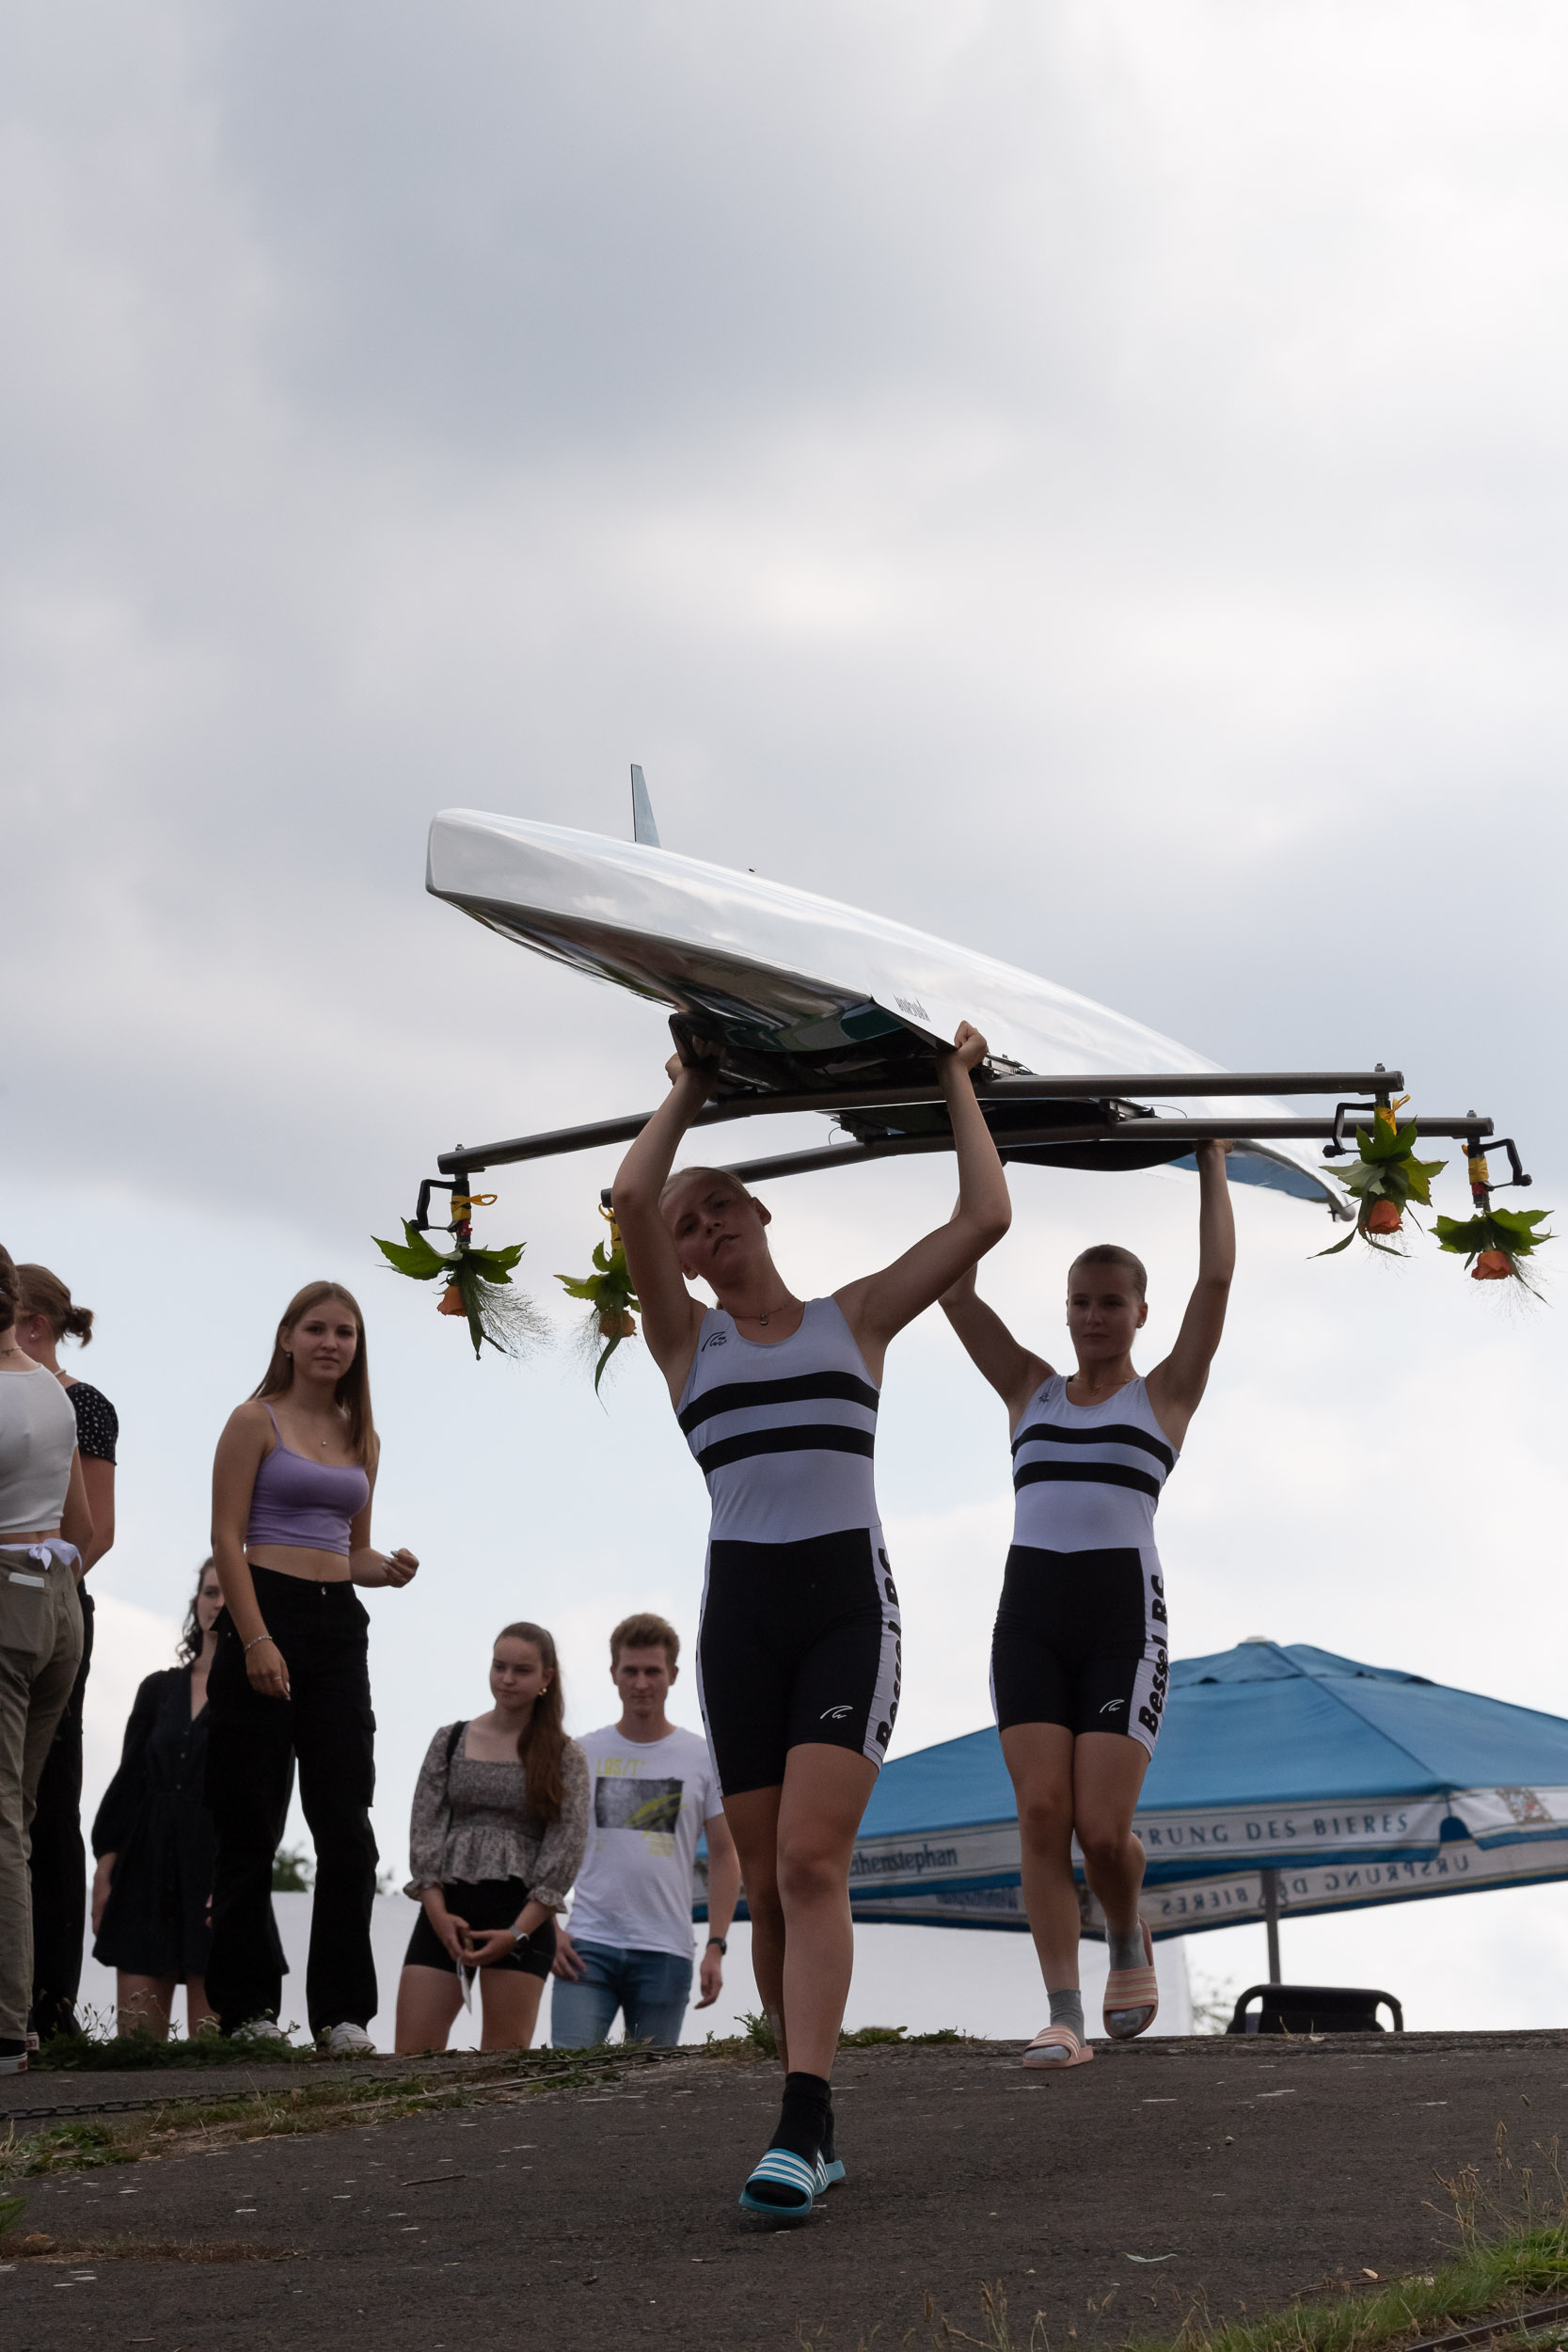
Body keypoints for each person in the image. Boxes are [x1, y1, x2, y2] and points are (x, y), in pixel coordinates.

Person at [611, 1020, 1009, 2220]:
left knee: (806, 1861)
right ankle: (809, 2110)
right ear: (676, 1261)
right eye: (690, 1224)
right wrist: (689, 1089)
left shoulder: (858, 1318)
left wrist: (952, 1080)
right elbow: (632, 1187)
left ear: (763, 1215)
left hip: (846, 1605)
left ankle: (802, 2117)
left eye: (724, 1204)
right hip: (740, 1617)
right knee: (776, 1892)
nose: (707, 1224)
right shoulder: (683, 1340)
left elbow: (982, 1215)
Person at [939, 1142, 1236, 2068]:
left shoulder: (1164, 1396)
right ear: (1064, 1310)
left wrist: (1209, 1161)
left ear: (1139, 1313)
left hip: (1120, 1624)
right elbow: (953, 1290)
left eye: (1111, 1301)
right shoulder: (1029, 1390)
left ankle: (1124, 1927)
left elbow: (1216, 1276)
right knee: (1038, 1815)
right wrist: (969, 1138)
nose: (1093, 1315)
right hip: (1027, 1618)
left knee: (1102, 1832)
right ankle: (1062, 2012)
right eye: (1080, 1299)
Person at [206, 1280, 419, 2053]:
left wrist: (383, 1568)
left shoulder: (360, 1433)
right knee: (250, 1821)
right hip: (264, 1609)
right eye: (318, 1329)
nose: (333, 1343)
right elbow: (227, 1538)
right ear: (288, 1337)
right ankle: (248, 2010)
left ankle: (342, 2015)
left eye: (347, 1333)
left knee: (346, 1828)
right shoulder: (251, 1420)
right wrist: (256, 1639)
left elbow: (350, 1548)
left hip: (338, 1627)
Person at [90, 1562, 273, 2040]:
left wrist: (238, 1880)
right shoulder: (157, 1689)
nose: (219, 1602)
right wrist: (105, 1871)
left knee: (210, 2052)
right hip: (144, 1869)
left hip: (216, 1868)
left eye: (230, 1592)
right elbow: (127, 1784)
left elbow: (267, 1799)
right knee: (135, 2049)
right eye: (211, 1591)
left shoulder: (262, 1692)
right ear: (197, 1602)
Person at [396, 1622, 589, 2055]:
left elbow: (565, 1850)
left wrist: (516, 1934)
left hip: (519, 1917)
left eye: (521, 1670)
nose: (506, 1679)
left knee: (502, 2065)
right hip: (445, 1911)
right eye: (499, 1666)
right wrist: (439, 1915)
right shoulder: (450, 1739)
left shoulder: (564, 1755)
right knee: (410, 2059)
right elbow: (424, 1830)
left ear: (547, 1678)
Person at [551, 1612, 739, 2049]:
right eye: (630, 1670)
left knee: (652, 2097)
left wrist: (716, 1944)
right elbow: (545, 1844)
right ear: (613, 1674)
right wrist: (550, 1929)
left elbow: (726, 1855)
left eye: (652, 1671)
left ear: (672, 1675)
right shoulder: (580, 1753)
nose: (641, 1683)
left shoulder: (701, 1756)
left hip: (667, 1951)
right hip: (586, 1947)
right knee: (566, 2081)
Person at [13, 1263, 119, 2042]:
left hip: (45, 1600)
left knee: (48, 1800)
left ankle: (49, 1997)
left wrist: (44, 1575)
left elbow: (93, 1529)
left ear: (33, 1326)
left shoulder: (78, 1403)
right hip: (37, 1598)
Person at [0, 1244, 93, 2075]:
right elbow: (86, 1528)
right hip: (58, 1594)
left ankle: (5, 2024)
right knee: (19, 1817)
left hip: (9, 1591)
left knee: (4, 1817)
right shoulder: (55, 1392)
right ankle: (24, 2018)